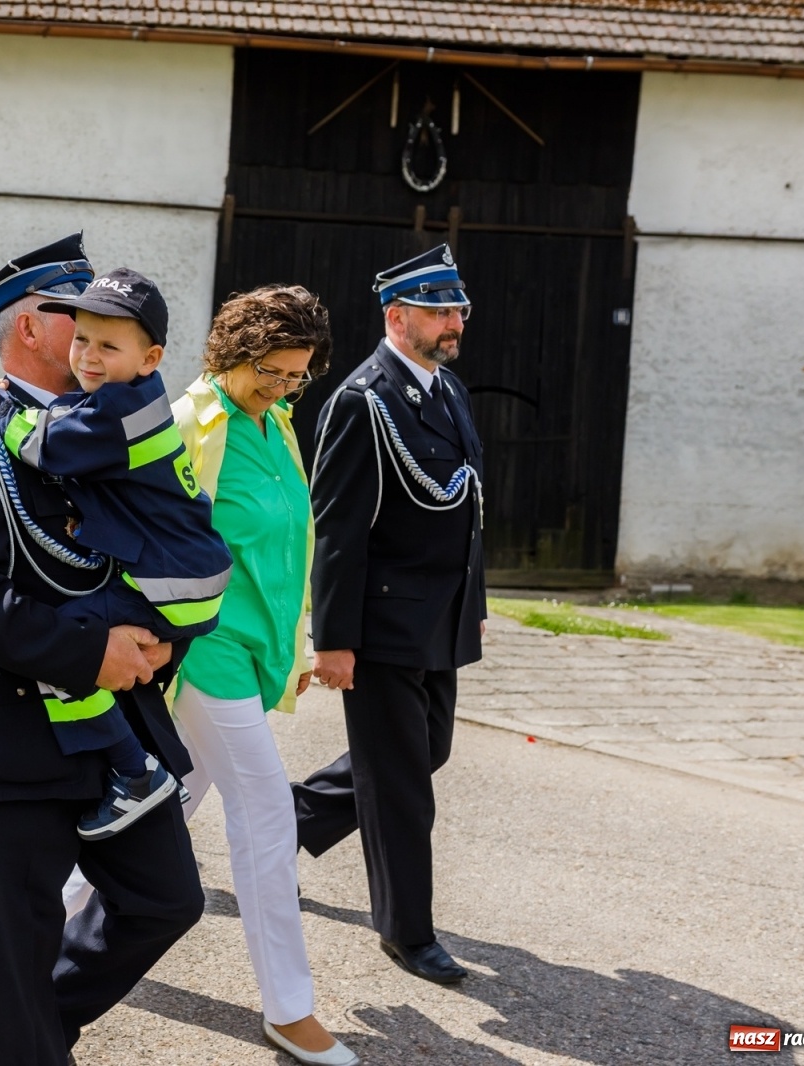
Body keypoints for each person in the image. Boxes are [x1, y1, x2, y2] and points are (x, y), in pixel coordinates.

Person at [0, 234, 203, 1066]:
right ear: (32, 330)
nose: (90, 337)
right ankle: (29, 1039)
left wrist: (154, 645)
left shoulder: (108, 432)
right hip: (16, 733)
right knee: (21, 954)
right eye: (77, 317)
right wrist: (92, 652)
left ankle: (39, 1032)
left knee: (165, 901)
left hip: (122, 724)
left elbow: (168, 554)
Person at [0, 267, 231, 840]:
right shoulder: (125, 399)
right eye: (82, 339)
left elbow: (49, 446)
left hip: (174, 582)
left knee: (67, 648)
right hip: (184, 576)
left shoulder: (123, 412)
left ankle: (135, 771)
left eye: (108, 346)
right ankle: (144, 766)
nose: (88, 355)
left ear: (150, 358)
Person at [170, 286, 357, 1064]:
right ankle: (288, 1008)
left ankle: (50, 920)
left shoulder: (276, 424)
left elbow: (288, 545)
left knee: (165, 800)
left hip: (255, 651)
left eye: (296, 376)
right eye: (272, 372)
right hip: (204, 648)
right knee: (268, 816)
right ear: (232, 353)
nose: (283, 388)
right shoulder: (193, 422)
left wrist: (301, 637)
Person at [292, 244, 487, 985]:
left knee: (422, 753)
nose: (453, 321)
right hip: (379, 626)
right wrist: (333, 640)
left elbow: (466, 508)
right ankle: (406, 930)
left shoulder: (447, 390)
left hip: (438, 620)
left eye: (457, 308)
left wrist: (475, 607)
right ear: (395, 315)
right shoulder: (362, 401)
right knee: (403, 781)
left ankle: (287, 822)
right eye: (438, 309)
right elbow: (338, 526)